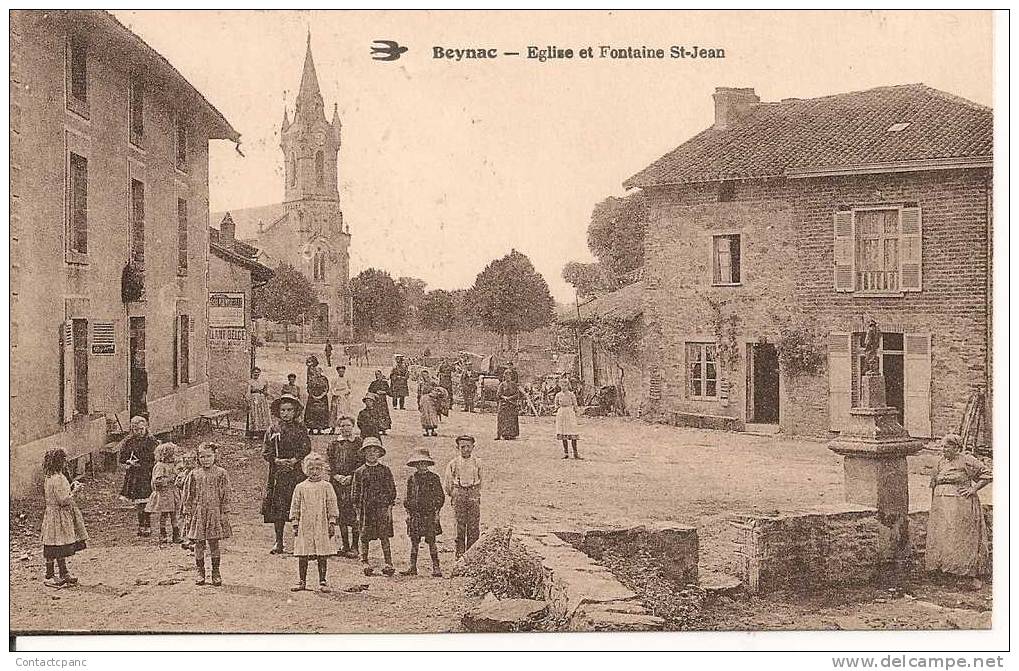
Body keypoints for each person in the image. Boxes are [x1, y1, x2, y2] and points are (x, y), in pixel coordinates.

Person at [926, 434, 992, 590]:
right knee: (943, 535)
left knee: (958, 535)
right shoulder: (940, 462)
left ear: (956, 447)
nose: (944, 450)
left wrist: (973, 489)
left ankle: (963, 573)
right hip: (941, 504)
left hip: (960, 504)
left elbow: (987, 474)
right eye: (942, 447)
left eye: (947, 447)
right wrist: (934, 504)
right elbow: (933, 484)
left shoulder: (966, 460)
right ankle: (944, 569)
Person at [262, 393, 311, 554]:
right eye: (283, 410)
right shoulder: (273, 429)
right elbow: (266, 451)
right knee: (279, 507)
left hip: (295, 473)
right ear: (278, 411)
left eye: (290, 410)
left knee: (298, 506)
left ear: (295, 411)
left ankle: (300, 541)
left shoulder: (300, 428)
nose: (286, 413)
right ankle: (279, 541)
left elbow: (306, 448)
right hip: (278, 474)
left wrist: (295, 460)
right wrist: (276, 461)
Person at [289, 453, 339, 593]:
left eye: (318, 468)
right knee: (303, 552)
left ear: (322, 469)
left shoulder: (326, 486)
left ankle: (322, 580)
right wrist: (295, 521)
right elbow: (295, 505)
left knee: (322, 552)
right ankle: (302, 581)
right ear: (305, 469)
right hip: (305, 524)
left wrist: (332, 521)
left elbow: (331, 504)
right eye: (311, 469)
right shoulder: (300, 487)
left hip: (321, 523)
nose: (315, 472)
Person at [183, 442, 231, 586]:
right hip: (199, 513)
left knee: (214, 543)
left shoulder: (221, 473)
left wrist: (224, 511)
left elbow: (226, 493)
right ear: (198, 458)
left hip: (214, 512)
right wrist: (187, 510)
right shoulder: (194, 474)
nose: (206, 459)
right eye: (202, 457)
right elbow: (188, 494)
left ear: (215, 456)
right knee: (199, 543)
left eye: (209, 456)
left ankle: (216, 572)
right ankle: (200, 572)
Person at [41, 448, 89, 588]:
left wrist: (71, 486)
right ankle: (50, 575)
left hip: (52, 514)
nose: (65, 462)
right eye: (63, 459)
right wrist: (75, 491)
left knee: (58, 544)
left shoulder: (50, 477)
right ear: (59, 461)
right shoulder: (58, 478)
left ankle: (63, 572)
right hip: (58, 515)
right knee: (53, 545)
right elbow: (63, 500)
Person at [351, 437, 397, 576]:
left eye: (375, 451)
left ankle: (388, 562)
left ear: (379, 454)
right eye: (369, 451)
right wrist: (358, 511)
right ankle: (364, 560)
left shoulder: (385, 470)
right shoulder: (359, 472)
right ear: (364, 454)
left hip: (381, 508)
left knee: (384, 535)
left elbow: (391, 491)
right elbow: (355, 493)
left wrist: (388, 508)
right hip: (366, 509)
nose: (372, 454)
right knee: (364, 535)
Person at [401, 448, 445, 577]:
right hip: (415, 515)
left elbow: (440, 497)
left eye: (424, 463)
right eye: (419, 463)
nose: (421, 466)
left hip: (429, 514)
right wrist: (408, 512)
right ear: (415, 465)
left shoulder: (434, 478)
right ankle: (412, 566)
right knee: (414, 541)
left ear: (428, 464)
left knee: (431, 540)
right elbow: (407, 497)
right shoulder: (412, 479)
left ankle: (436, 567)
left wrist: (437, 512)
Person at [326, 417, 364, 558]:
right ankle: (345, 545)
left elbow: (362, 462)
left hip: (353, 483)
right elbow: (329, 462)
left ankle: (355, 546)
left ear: (353, 426)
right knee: (340, 513)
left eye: (348, 425)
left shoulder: (358, 443)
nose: (345, 428)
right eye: (342, 426)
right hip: (337, 483)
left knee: (353, 514)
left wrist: (352, 477)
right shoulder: (334, 444)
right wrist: (337, 476)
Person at [444, 435, 483, 559]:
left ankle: (472, 555)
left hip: (473, 493)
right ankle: (460, 554)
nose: (466, 449)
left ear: (473, 447)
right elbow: (448, 483)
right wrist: (454, 494)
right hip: (459, 493)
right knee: (459, 525)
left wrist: (475, 493)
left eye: (468, 447)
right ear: (457, 448)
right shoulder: (453, 463)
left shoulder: (477, 462)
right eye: (463, 447)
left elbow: (481, 480)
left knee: (473, 525)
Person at [119, 415, 158, 536]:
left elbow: (156, 457)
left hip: (147, 474)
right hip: (135, 475)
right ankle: (141, 525)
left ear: (146, 427)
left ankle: (148, 525)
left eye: (142, 429)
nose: (140, 432)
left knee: (147, 501)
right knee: (139, 502)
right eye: (136, 430)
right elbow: (122, 458)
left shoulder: (151, 441)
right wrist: (129, 462)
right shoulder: (129, 441)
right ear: (132, 429)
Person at [145, 442, 183, 544]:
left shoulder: (175, 465)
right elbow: (157, 480)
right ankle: (163, 534)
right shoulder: (160, 466)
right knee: (164, 514)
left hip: (173, 492)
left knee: (174, 514)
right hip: (165, 494)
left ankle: (176, 534)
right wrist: (169, 479)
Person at [175, 447, 197, 552]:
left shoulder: (197, 473)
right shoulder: (184, 473)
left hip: (194, 500)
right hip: (185, 499)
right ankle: (188, 538)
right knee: (186, 519)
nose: (188, 464)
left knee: (194, 520)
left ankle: (194, 540)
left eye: (190, 461)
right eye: (186, 462)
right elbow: (179, 485)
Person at [555, 377, 582, 460]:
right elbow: (556, 404)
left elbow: (575, 404)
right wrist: (557, 408)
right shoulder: (558, 395)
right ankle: (566, 453)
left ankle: (575, 453)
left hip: (570, 413)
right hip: (561, 414)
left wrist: (577, 412)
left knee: (572, 432)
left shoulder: (571, 394)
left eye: (565, 386)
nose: (563, 387)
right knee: (563, 433)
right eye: (562, 386)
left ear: (568, 386)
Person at [304, 367, 331, 435]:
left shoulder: (324, 379)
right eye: (316, 371)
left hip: (322, 399)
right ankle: (311, 429)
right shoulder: (311, 379)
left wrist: (321, 396)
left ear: (321, 372)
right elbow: (308, 388)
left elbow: (326, 388)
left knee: (321, 413)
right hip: (312, 398)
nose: (317, 373)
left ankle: (320, 429)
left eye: (319, 371)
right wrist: (313, 396)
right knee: (312, 413)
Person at [495, 371, 521, 440]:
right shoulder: (502, 385)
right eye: (506, 376)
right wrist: (504, 397)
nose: (507, 377)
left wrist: (510, 398)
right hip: (504, 404)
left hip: (512, 404)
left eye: (509, 376)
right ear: (504, 376)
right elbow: (498, 394)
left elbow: (517, 394)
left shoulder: (514, 385)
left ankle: (511, 435)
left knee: (512, 419)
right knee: (502, 419)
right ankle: (500, 434)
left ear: (511, 377)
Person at [246, 368, 271, 438]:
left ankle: (263, 432)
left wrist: (265, 393)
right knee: (255, 415)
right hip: (254, 400)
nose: (256, 374)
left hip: (262, 400)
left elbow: (267, 392)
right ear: (252, 373)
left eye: (258, 373)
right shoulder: (250, 382)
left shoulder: (263, 381)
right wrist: (248, 402)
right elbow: (248, 393)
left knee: (262, 415)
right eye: (255, 373)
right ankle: (255, 432)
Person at [367, 371, 393, 435]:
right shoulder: (373, 383)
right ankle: (377, 429)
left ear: (381, 375)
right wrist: (375, 394)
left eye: (379, 374)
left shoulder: (385, 383)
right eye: (376, 375)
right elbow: (369, 391)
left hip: (383, 402)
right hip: (376, 401)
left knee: (384, 414)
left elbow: (389, 392)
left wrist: (384, 392)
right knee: (376, 414)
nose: (377, 376)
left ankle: (384, 429)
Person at [330, 366, 353, 433]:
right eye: (340, 371)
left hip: (344, 397)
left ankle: (343, 428)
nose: (341, 373)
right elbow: (332, 388)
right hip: (337, 396)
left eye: (343, 371)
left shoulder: (347, 379)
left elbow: (350, 388)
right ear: (337, 372)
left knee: (344, 413)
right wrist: (335, 394)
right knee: (334, 412)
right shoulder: (335, 379)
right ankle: (333, 428)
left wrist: (347, 393)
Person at [417, 370, 439, 437]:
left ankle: (433, 430)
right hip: (423, 400)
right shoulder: (420, 384)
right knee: (424, 415)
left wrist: (434, 395)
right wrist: (418, 402)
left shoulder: (432, 383)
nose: (425, 377)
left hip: (431, 399)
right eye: (423, 375)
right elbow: (419, 393)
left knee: (432, 415)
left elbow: (437, 390)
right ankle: (425, 430)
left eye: (426, 375)